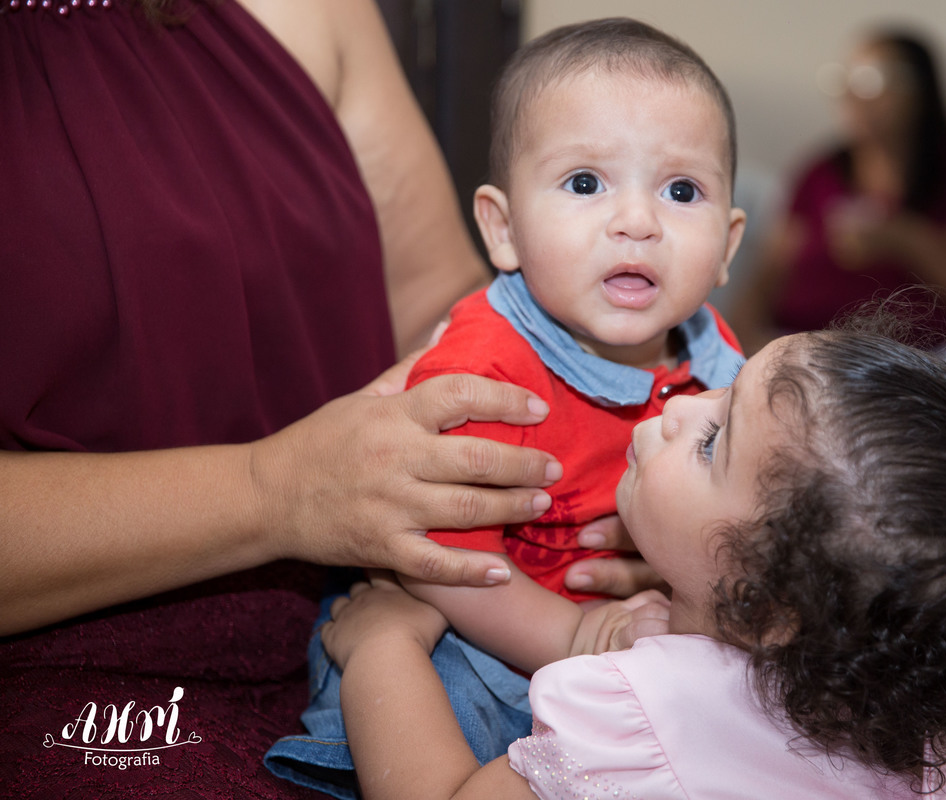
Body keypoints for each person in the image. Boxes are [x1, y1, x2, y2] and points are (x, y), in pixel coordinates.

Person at [0, 1, 650, 796]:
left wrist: (608, 493)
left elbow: (450, 315)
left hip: (418, 612)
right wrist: (273, 491)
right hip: (88, 678)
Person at [266, 18, 746, 794]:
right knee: (437, 685)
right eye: (585, 183)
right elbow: (436, 556)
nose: (637, 221)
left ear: (727, 245)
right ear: (504, 228)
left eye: (680, 191)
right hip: (466, 620)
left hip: (625, 629)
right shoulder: (485, 370)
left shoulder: (721, 362)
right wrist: (573, 634)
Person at [322, 328, 946, 799]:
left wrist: (382, 648)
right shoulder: (887, 731)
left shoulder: (646, 719)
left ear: (763, 607)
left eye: (713, 440)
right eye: (724, 388)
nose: (681, 405)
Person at [730, 27, 946, 354]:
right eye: (845, 80)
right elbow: (765, 279)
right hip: (806, 350)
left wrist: (904, 239)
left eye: (871, 80)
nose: (853, 95)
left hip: (917, 358)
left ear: (918, 90)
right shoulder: (819, 171)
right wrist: (744, 348)